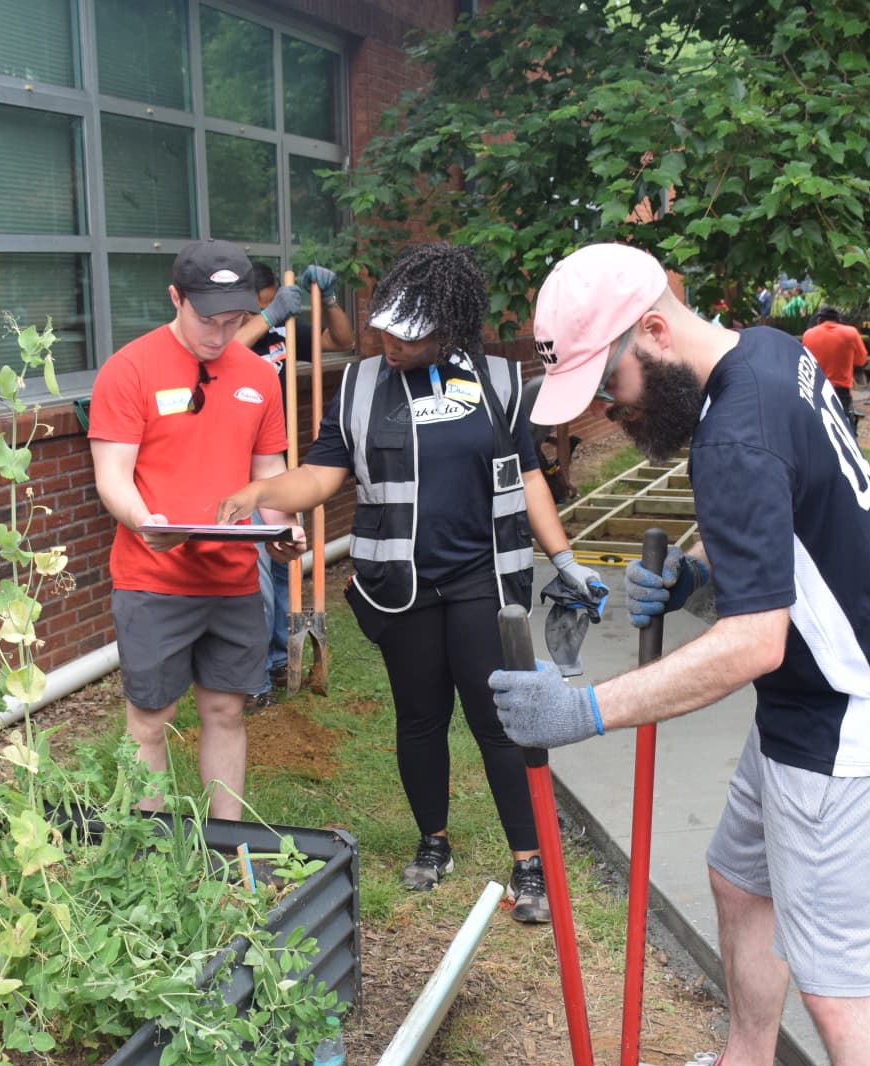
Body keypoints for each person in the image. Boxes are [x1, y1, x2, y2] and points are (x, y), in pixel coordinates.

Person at [490, 243, 870, 1066]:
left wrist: (586, 707)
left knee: (838, 989)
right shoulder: (771, 355)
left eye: (609, 384)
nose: (608, 413)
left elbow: (755, 643)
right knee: (738, 875)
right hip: (810, 702)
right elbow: (800, 532)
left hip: (850, 725)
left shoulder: (732, 432)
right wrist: (705, 576)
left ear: (654, 329)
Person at [214, 243, 603, 926]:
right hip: (400, 586)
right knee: (419, 717)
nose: (389, 343)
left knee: (499, 721)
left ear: (449, 329)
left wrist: (564, 558)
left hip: (484, 578)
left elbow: (531, 476)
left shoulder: (501, 383)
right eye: (385, 330)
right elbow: (322, 474)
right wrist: (264, 488)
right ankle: (434, 843)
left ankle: (529, 862)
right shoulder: (361, 385)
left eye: (408, 334)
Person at [88, 240, 305, 820]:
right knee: (150, 721)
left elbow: (269, 477)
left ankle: (225, 851)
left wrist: (286, 530)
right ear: (175, 298)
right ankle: (155, 860)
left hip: (232, 579)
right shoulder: (129, 369)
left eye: (233, 320)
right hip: (153, 577)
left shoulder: (259, 377)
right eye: (207, 319)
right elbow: (112, 477)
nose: (219, 333)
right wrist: (144, 521)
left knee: (225, 712)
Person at [239, 263, 357, 708]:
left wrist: (326, 301)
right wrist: (265, 321)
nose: (268, 311)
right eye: (262, 305)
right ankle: (253, 678)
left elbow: (340, 341)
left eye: (273, 303)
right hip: (237, 471)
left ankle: (275, 660)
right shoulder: (231, 337)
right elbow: (221, 355)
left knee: (283, 566)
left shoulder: (283, 332)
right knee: (255, 580)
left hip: (281, 469)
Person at [800, 305, 868, 421]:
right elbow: (861, 360)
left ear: (819, 320)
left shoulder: (808, 335)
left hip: (815, 389)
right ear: (839, 320)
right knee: (844, 425)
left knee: (818, 424)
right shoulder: (851, 333)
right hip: (841, 390)